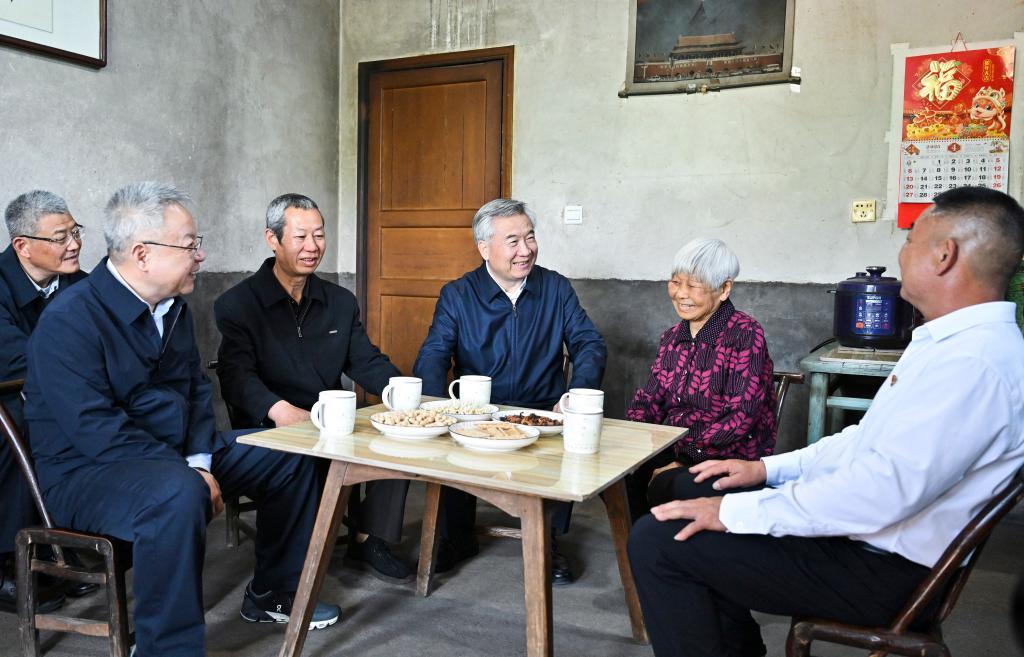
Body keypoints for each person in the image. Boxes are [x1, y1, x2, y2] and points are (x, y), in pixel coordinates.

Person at [627, 185, 1024, 657]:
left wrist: (735, 513)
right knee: (687, 503)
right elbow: (861, 441)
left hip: (883, 567)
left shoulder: (974, 364)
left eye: (909, 240)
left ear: (944, 255)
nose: (901, 254)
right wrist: (765, 470)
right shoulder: (950, 346)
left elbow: (880, 493)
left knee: (659, 541)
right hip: (868, 540)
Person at [23, 182, 340, 657]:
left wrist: (198, 460)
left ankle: (273, 592)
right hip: (87, 473)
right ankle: (164, 649)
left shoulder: (173, 309)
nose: (200, 255)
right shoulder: (70, 320)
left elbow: (195, 393)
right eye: (190, 245)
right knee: (178, 492)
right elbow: (97, 432)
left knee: (289, 452)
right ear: (142, 254)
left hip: (172, 458)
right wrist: (186, 472)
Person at [215, 193, 414, 583]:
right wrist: (280, 411)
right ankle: (291, 569)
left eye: (319, 235)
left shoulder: (339, 301)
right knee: (297, 460)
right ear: (272, 239)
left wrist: (403, 393)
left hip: (332, 418)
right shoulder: (237, 304)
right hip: (274, 420)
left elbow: (365, 361)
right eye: (301, 236)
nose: (312, 246)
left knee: (401, 435)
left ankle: (368, 537)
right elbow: (236, 376)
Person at [413, 198, 608, 584]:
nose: (526, 250)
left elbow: (589, 343)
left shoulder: (555, 288)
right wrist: (437, 406)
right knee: (448, 439)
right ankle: (455, 536)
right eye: (513, 241)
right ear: (484, 248)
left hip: (541, 409)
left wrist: (576, 396)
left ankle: (548, 538)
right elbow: (434, 352)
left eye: (530, 238)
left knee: (571, 440)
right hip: (479, 412)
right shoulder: (458, 294)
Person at [625, 238, 776, 522]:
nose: (681, 293)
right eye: (675, 282)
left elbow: (740, 417)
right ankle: (640, 543)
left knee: (668, 484)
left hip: (725, 456)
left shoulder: (745, 334)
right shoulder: (672, 338)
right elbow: (650, 400)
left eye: (693, 285)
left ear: (724, 288)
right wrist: (629, 438)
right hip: (673, 446)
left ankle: (660, 542)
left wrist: (682, 460)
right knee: (615, 475)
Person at [0, 190, 92, 613]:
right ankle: (8, 561)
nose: (74, 244)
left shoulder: (82, 284)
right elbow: (21, 359)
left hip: (52, 392)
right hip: (10, 397)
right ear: (23, 246)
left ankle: (59, 543)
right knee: (21, 426)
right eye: (60, 238)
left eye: (75, 232)